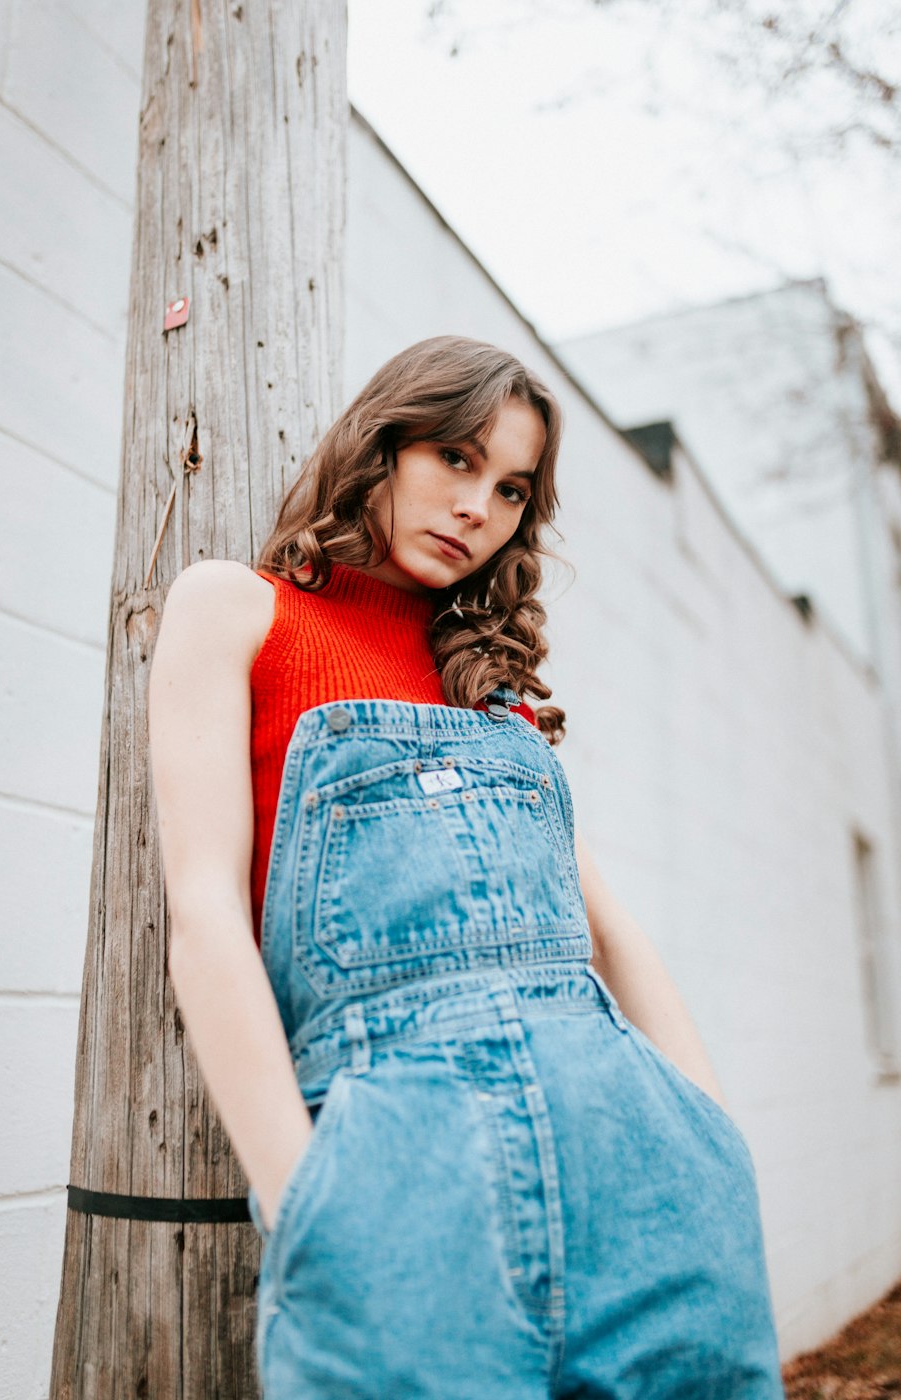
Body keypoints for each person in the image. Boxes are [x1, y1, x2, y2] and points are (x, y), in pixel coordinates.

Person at [148, 335, 784, 1397]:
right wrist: (301, 1197)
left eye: (511, 488)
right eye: (454, 456)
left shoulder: (494, 693)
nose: (477, 505)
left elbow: (612, 930)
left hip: (643, 1182)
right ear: (381, 443)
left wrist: (711, 1142)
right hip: (398, 1188)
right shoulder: (237, 608)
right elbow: (204, 907)